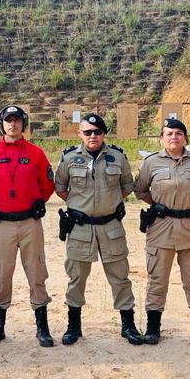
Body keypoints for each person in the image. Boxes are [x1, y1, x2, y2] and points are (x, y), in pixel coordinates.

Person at [54, 113, 143, 346]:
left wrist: (107, 206)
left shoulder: (117, 156)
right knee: (76, 278)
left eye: (97, 132)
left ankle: (128, 325)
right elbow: (61, 188)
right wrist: (80, 207)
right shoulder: (69, 158)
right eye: (87, 132)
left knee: (120, 278)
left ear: (104, 133)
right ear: (79, 134)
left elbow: (126, 187)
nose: (92, 136)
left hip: (110, 226)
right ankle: (74, 327)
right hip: (80, 228)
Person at [0, 106, 56, 347]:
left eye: (17, 121)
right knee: (1, 274)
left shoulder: (36, 153)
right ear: (1, 124)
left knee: (36, 272)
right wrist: (3, 204)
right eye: (8, 121)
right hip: (3, 224)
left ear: (24, 124)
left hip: (30, 223)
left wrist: (33, 204)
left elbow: (47, 185)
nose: (13, 125)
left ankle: (42, 328)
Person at [133, 118, 190, 344]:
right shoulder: (150, 163)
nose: (174, 137)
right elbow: (140, 190)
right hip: (161, 228)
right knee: (158, 279)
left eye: (178, 133)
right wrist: (160, 204)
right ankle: (153, 327)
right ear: (161, 138)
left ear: (185, 138)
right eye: (169, 134)